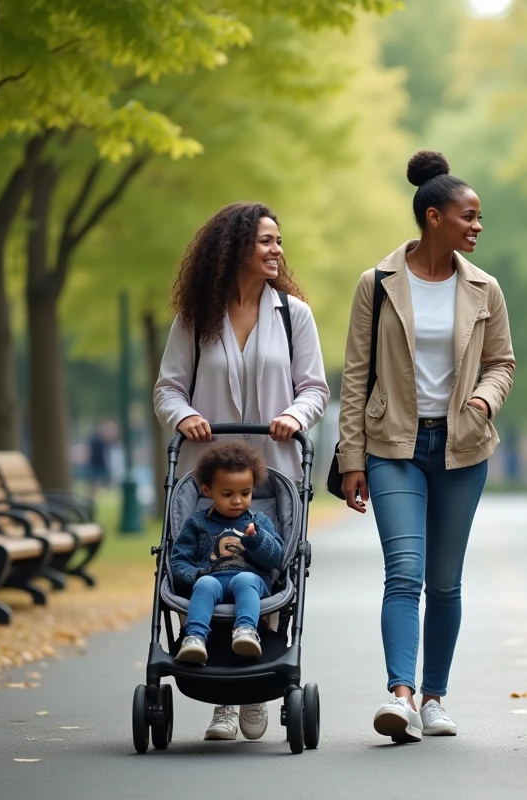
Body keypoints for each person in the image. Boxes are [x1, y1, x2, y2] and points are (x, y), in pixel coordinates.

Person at [335, 151, 515, 744]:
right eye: (469, 216)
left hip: (462, 448)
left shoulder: (485, 288)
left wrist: (487, 398)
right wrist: (353, 458)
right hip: (393, 446)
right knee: (404, 573)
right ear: (434, 217)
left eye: (479, 217)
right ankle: (401, 697)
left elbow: (502, 364)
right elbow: (355, 375)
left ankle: (435, 697)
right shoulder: (378, 284)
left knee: (444, 581)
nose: (478, 226)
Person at [154, 202, 329, 742]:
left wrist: (292, 417)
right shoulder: (195, 318)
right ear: (234, 250)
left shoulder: (292, 316)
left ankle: (254, 687)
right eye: (266, 242)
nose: (277, 250)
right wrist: (186, 417)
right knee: (205, 566)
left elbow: (315, 389)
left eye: (279, 241)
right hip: (208, 475)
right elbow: (168, 388)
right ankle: (221, 703)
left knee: (266, 569)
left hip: (271, 473)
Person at [172, 442, 284, 665]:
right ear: (207, 491)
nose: (237, 500)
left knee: (245, 579)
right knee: (205, 585)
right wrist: (196, 576)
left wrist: (256, 539)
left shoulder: (258, 522)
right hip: (211, 578)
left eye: (245, 493)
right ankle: (194, 637)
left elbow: (277, 558)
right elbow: (179, 561)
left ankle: (246, 630)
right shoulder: (196, 523)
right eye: (227, 494)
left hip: (251, 582)